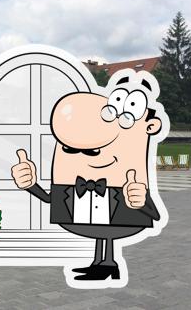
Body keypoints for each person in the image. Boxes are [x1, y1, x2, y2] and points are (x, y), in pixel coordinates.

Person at [11, 70, 164, 282]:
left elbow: (154, 214)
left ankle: (108, 263)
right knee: (102, 233)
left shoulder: (129, 181)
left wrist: (140, 202)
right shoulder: (71, 185)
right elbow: (50, 199)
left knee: (108, 231)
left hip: (119, 211)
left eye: (92, 150)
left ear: (150, 126)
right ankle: (101, 264)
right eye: (71, 149)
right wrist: (29, 184)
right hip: (85, 214)